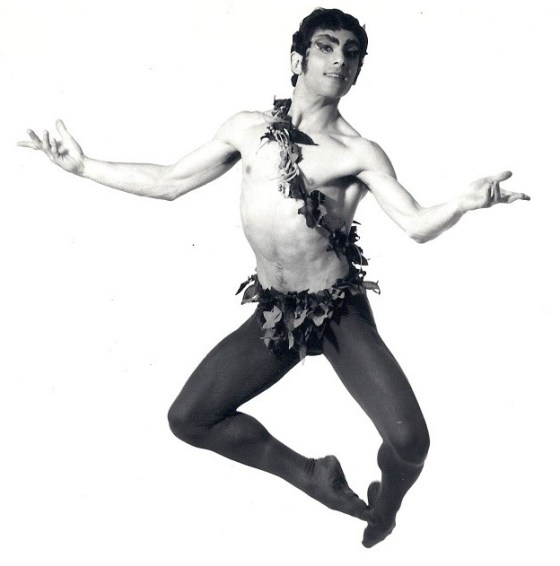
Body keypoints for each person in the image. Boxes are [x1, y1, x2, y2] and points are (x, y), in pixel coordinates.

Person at [18, 7, 529, 548]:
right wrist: (84, 167)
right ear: (297, 59)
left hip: (337, 311)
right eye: (326, 47)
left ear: (358, 72)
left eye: (351, 53)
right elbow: (168, 182)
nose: (339, 59)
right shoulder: (248, 129)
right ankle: (309, 475)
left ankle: (387, 507)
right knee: (190, 418)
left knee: (411, 444)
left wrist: (463, 203)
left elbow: (417, 224)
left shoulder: (358, 153)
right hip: (277, 312)